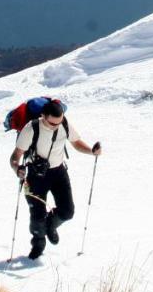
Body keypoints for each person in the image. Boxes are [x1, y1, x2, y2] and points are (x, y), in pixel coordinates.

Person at [9, 99, 101, 260]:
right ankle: (38, 243)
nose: (56, 127)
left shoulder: (63, 124)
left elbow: (76, 143)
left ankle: (50, 225)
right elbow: (15, 156)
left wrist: (92, 152)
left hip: (58, 172)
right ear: (43, 116)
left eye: (58, 123)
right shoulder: (32, 128)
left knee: (67, 212)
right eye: (52, 124)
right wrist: (18, 169)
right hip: (35, 176)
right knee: (37, 216)